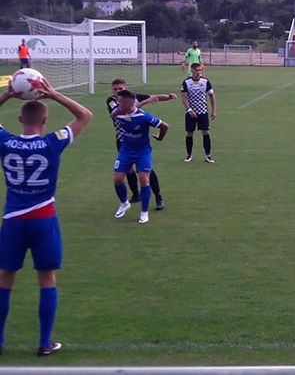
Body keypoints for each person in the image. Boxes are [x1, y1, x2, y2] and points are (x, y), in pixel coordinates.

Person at [0, 78, 91, 356]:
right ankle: (44, 342)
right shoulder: (52, 142)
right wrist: (54, 94)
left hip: (13, 220)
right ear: (45, 120)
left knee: (5, 279)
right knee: (47, 279)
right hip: (43, 219)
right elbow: (85, 115)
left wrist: (7, 95)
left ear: (19, 119)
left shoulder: (6, 141)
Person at [107, 79, 177, 210]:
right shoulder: (112, 101)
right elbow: (125, 110)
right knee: (128, 169)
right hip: (123, 140)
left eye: (120, 89)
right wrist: (144, 102)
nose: (117, 91)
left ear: (126, 88)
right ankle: (135, 194)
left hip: (139, 142)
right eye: (115, 89)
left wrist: (168, 96)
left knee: (144, 170)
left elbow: (154, 97)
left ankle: (158, 196)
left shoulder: (133, 97)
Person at [111, 90, 169, 224]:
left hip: (142, 152)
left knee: (144, 179)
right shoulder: (119, 112)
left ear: (127, 103)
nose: (118, 104)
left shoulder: (144, 117)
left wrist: (160, 137)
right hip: (125, 151)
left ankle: (144, 212)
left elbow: (164, 126)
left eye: (120, 102)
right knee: (118, 179)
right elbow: (113, 115)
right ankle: (124, 203)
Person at [181, 63, 217, 163]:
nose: (198, 72)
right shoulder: (186, 82)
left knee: (205, 132)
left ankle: (208, 155)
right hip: (190, 112)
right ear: (192, 70)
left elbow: (211, 96)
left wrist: (214, 110)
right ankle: (189, 155)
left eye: (200, 70)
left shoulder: (205, 81)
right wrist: (189, 110)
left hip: (203, 111)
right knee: (190, 133)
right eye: (197, 70)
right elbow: (184, 98)